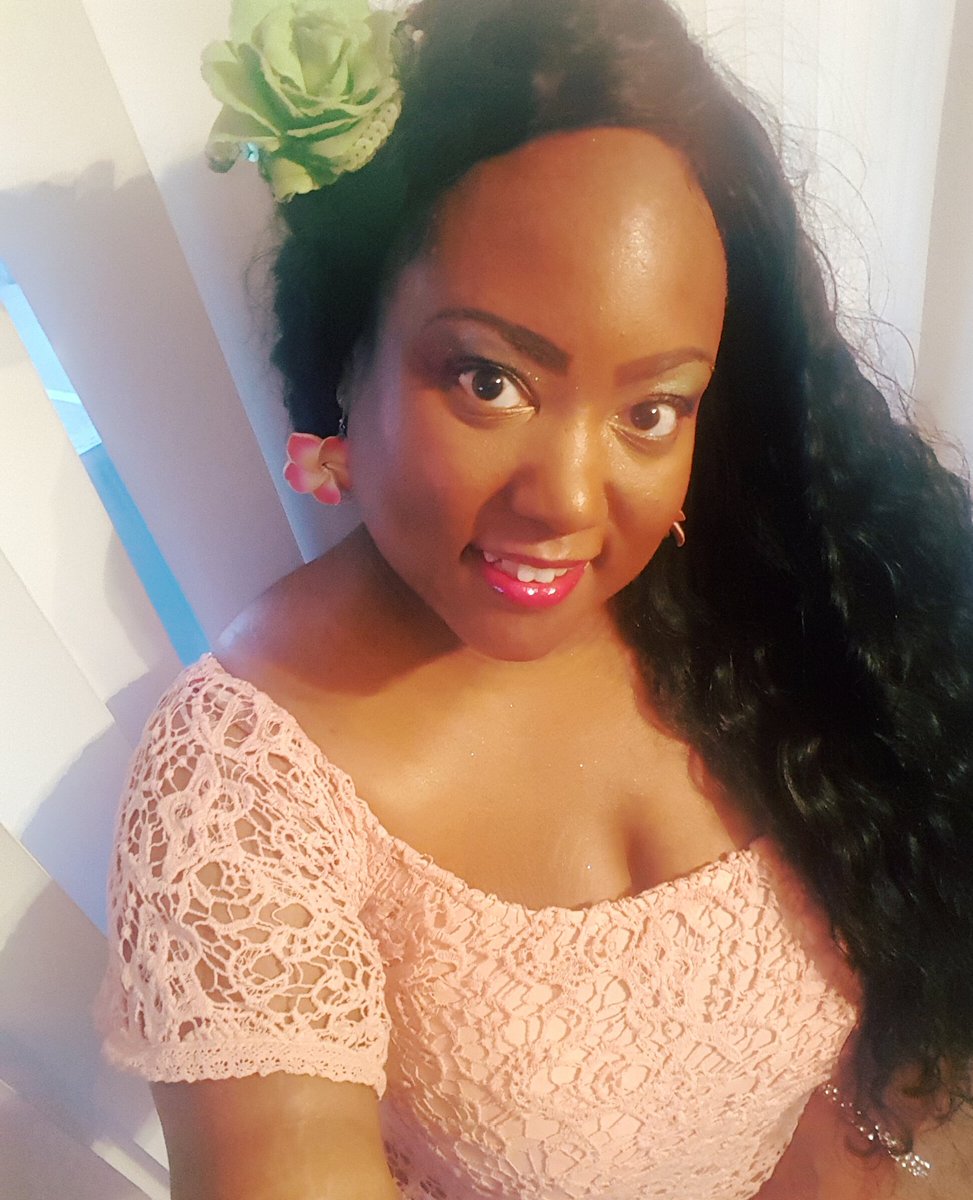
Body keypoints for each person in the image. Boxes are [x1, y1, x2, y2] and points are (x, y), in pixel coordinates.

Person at [97, 0, 973, 1196]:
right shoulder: (244, 795)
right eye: (489, 379)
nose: (566, 499)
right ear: (350, 345)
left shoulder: (775, 595)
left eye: (650, 410)